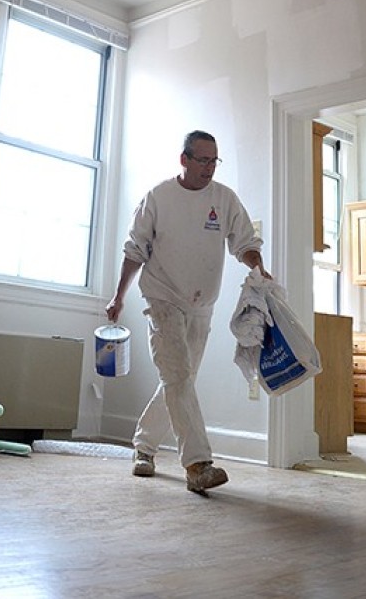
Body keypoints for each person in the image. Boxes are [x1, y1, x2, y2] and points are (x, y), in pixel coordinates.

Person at [106, 130, 269, 494]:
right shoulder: (159, 197)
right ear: (184, 159)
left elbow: (244, 242)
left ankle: (143, 448)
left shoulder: (224, 199)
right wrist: (118, 297)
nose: (209, 168)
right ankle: (198, 465)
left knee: (179, 381)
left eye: (214, 161)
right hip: (162, 297)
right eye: (202, 160)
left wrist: (256, 266)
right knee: (178, 374)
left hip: (201, 305)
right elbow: (135, 250)